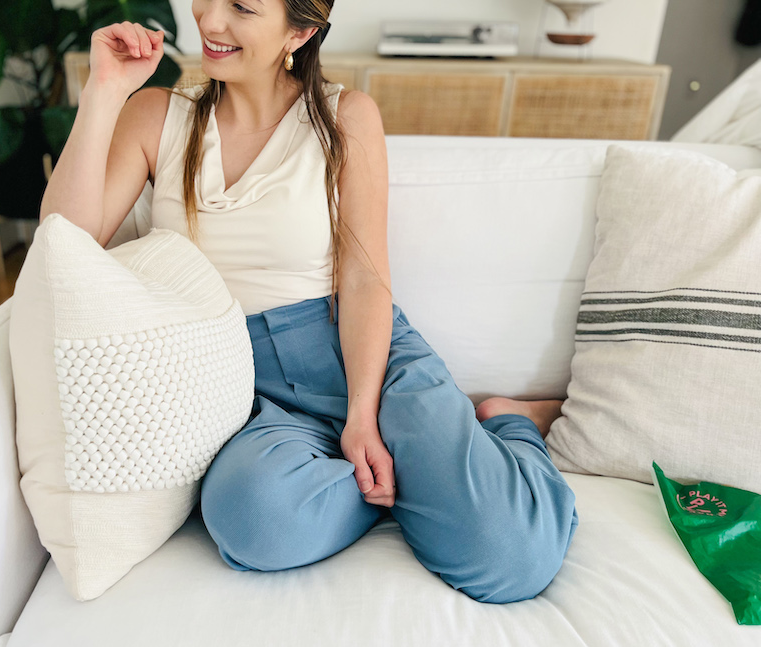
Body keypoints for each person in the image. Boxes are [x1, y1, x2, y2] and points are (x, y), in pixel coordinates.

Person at [40, 0, 579, 604]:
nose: (211, 22)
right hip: (244, 386)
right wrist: (104, 92)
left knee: (510, 558)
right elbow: (65, 244)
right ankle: (411, 484)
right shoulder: (157, 115)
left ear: (300, 29)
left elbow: (365, 280)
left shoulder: (345, 117)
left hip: (359, 352)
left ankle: (505, 421)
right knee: (251, 522)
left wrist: (362, 415)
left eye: (243, 7)